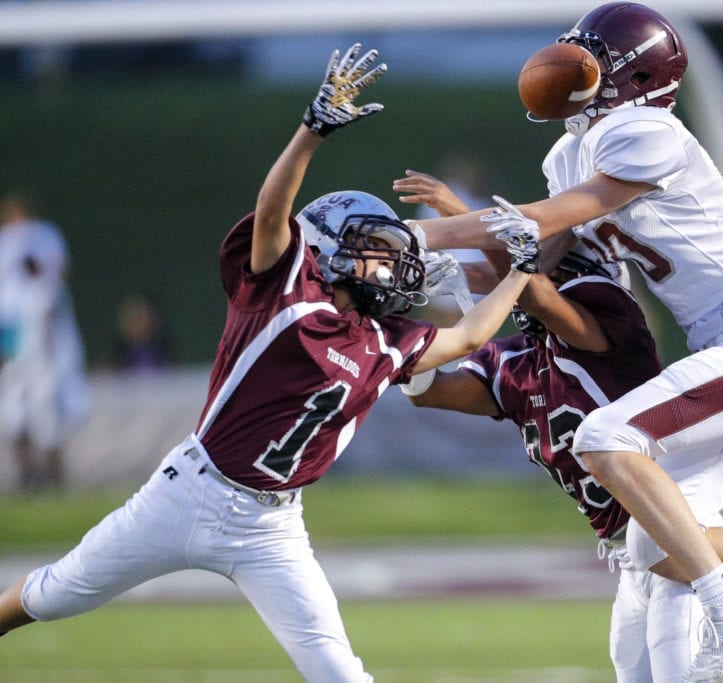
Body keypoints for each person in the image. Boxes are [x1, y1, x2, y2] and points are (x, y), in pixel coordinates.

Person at [0, 43, 538, 682]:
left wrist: (522, 272)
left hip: (271, 525)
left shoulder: (386, 337)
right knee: (55, 594)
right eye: (374, 250)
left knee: (339, 671)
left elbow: (473, 334)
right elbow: (275, 211)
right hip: (188, 493)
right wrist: (311, 131)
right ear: (334, 252)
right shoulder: (282, 291)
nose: (391, 264)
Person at [396, 4, 723, 681]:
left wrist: (415, 236)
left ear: (632, 73)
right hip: (721, 350)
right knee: (653, 547)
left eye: (589, 58)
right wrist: (418, 271)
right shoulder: (570, 150)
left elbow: (548, 219)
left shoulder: (648, 130)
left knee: (606, 439)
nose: (568, 69)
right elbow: (530, 254)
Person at [0, 192, 90, 490]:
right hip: (20, 351)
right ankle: (28, 476)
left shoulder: (45, 289)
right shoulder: (16, 290)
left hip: (42, 354)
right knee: (17, 411)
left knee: (45, 410)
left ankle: (52, 477)